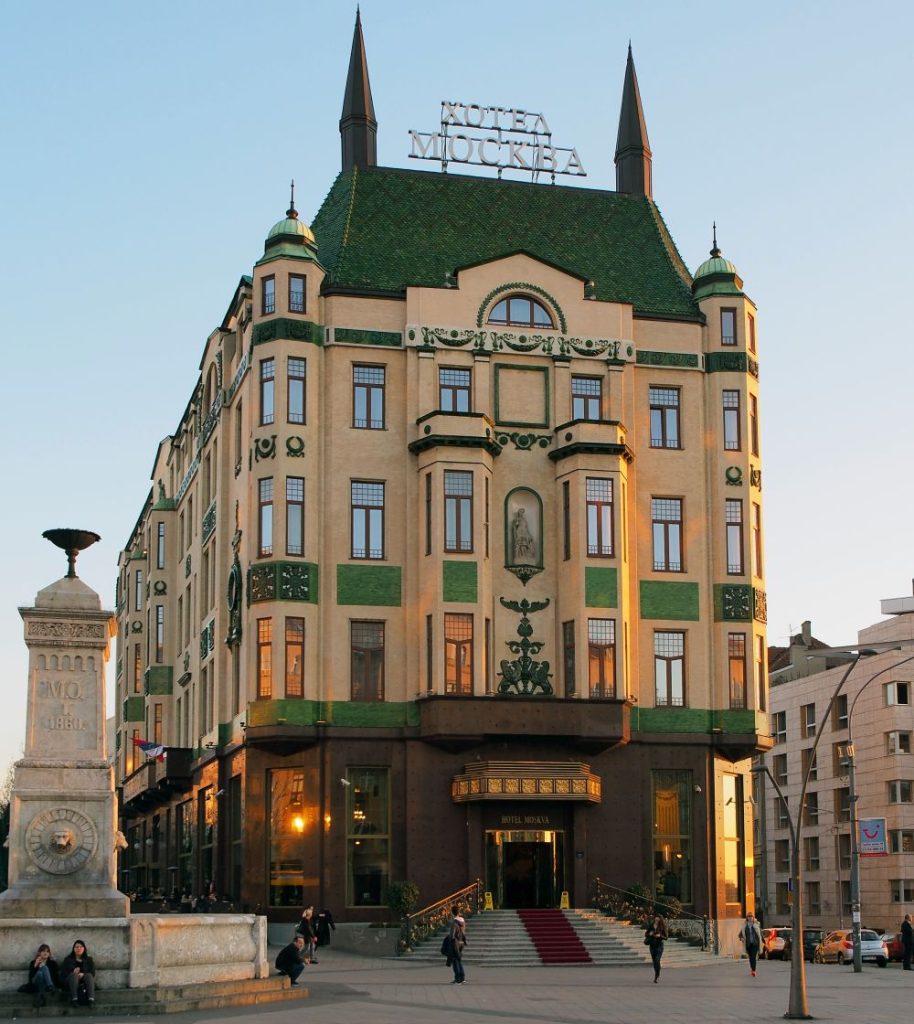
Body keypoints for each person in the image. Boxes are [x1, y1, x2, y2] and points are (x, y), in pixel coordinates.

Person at [61, 939, 96, 1007]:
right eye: (76, 947)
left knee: (89, 975)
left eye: (81, 947)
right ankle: (74, 999)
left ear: (84, 949)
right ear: (73, 949)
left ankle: (91, 999)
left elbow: (92, 973)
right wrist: (73, 972)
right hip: (71, 981)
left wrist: (83, 974)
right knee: (74, 975)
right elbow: (63, 973)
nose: (79, 948)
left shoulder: (89, 959)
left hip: (84, 981)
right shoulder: (68, 959)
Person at [24, 943, 59, 1008]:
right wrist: (35, 966)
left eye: (47, 951)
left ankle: (41, 997)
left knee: (42, 971)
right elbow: (31, 978)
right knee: (41, 971)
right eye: (43, 951)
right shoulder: (33, 962)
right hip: (35, 983)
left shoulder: (53, 963)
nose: (45, 953)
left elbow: (55, 976)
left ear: (49, 953)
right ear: (39, 953)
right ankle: (50, 986)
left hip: (45, 983)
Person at [645, 914, 667, 983]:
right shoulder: (651, 925)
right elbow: (646, 934)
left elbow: (666, 937)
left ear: (660, 919)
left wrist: (660, 936)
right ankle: (656, 974)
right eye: (656, 918)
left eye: (658, 919)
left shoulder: (663, 926)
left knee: (657, 960)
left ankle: (657, 976)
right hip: (652, 946)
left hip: (659, 945)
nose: (656, 920)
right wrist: (650, 934)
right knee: (655, 962)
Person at [448, 905, 467, 985]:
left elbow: (452, 935)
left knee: (455, 960)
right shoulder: (462, 920)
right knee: (459, 959)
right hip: (461, 942)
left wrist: (449, 942)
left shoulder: (454, 922)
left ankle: (458, 979)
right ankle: (462, 978)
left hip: (455, 943)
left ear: (452, 912)